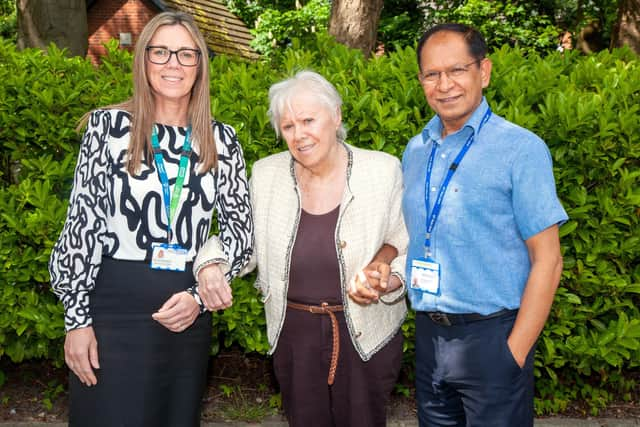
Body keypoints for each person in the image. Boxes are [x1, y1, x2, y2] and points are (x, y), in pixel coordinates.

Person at [49, 12, 253, 427]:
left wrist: (198, 297)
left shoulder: (223, 141)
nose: (172, 63)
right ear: (143, 61)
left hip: (186, 311)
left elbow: (241, 234)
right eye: (160, 52)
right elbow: (81, 228)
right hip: (112, 310)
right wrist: (76, 320)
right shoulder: (108, 129)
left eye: (185, 54)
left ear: (200, 65)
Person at [195, 70, 408, 427]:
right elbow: (241, 241)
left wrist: (390, 280)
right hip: (294, 335)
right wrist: (211, 262)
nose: (299, 134)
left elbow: (403, 243)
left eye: (309, 120)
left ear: (336, 115)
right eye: (289, 126)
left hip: (365, 333)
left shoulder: (382, 170)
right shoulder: (266, 174)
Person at [402, 23, 568, 426]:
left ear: (484, 71)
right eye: (431, 74)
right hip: (430, 338)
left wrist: (515, 350)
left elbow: (548, 260)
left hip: (494, 339)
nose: (444, 85)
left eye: (457, 70)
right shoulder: (416, 150)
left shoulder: (521, 150)